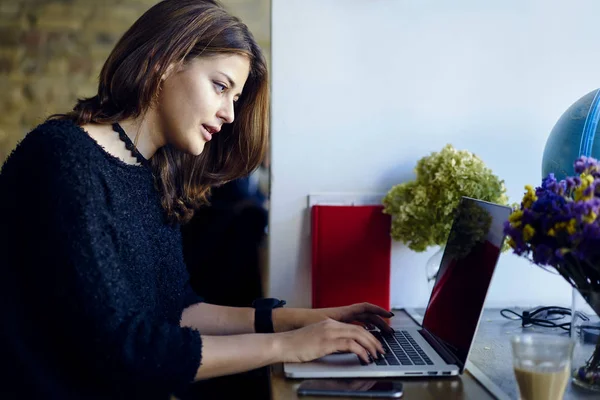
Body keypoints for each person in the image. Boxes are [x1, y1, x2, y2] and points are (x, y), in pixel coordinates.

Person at [0, 1, 393, 399]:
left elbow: (178, 310)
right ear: (163, 62)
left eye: (235, 98)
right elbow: (123, 350)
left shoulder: (149, 173)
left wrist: (305, 322)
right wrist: (290, 346)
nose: (229, 115)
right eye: (221, 87)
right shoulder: (64, 158)